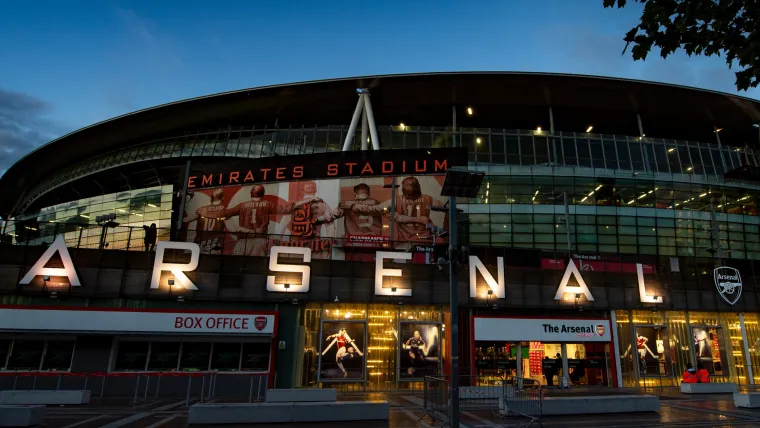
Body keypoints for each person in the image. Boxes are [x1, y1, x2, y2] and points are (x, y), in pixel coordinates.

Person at [341, 176, 446, 244]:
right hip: (424, 240)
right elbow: (445, 208)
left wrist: (353, 205)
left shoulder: (396, 201)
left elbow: (374, 209)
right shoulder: (428, 198)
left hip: (405, 241)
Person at [224, 185, 313, 256]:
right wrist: (309, 199)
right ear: (263, 194)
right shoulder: (267, 205)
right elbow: (288, 208)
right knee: (258, 271)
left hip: (242, 241)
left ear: (251, 193)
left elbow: (224, 215)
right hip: (260, 241)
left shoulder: (242, 205)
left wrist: (238, 230)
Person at [183, 188, 226, 253]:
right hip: (214, 246)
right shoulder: (225, 210)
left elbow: (186, 220)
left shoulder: (202, 209)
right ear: (223, 198)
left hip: (199, 245)